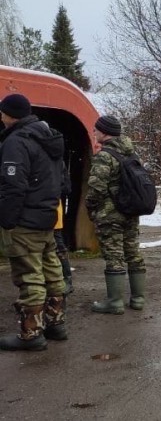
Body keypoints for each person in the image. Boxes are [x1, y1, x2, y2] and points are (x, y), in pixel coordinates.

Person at [0, 93, 66, 351]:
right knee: (52, 271)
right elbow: (61, 181)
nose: (1, 117)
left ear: (10, 114)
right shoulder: (48, 137)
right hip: (47, 215)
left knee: (29, 276)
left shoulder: (17, 141)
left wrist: (7, 219)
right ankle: (56, 324)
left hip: (25, 220)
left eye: (3, 113)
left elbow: (13, 185)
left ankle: (31, 334)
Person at [86, 114, 145, 315]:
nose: (93, 133)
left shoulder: (105, 156)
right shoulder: (132, 154)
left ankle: (115, 302)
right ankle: (138, 299)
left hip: (110, 214)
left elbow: (96, 188)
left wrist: (90, 207)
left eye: (96, 130)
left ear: (104, 132)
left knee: (114, 255)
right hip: (131, 211)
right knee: (133, 253)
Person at [55, 163, 74, 293]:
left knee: (58, 245)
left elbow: (66, 188)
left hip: (52, 209)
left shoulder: (56, 160)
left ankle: (66, 279)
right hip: (52, 207)